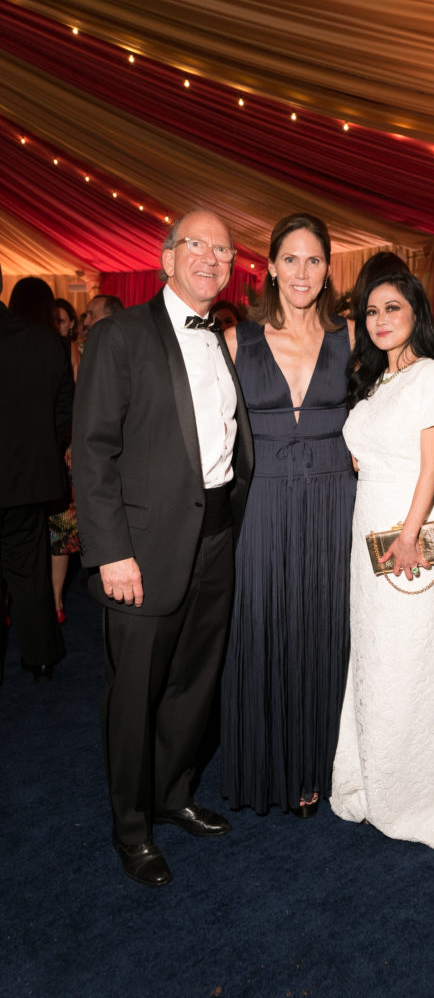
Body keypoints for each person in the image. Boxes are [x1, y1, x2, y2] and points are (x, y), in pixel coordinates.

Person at [72, 210, 253, 888]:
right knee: (135, 692)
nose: (210, 257)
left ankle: (172, 793)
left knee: (193, 681)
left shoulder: (223, 339)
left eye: (223, 249)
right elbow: (93, 453)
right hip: (141, 550)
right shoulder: (120, 336)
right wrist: (110, 550)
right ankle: (131, 826)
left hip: (215, 535)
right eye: (195, 244)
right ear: (166, 256)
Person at [330, 269, 434, 847]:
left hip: (408, 533)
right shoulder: (374, 381)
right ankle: (378, 776)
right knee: (376, 654)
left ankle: (426, 791)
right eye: (371, 312)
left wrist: (408, 533)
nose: (380, 320)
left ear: (415, 313)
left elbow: (431, 467)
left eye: (392, 308)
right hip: (367, 528)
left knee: (415, 657)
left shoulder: (433, 376)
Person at [220, 212, 356, 817]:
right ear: (270, 267)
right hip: (264, 506)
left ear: (328, 270)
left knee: (329, 626)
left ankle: (323, 765)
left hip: (336, 504)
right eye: (291, 259)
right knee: (265, 625)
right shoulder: (234, 341)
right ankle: (269, 764)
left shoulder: (352, 337)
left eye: (315, 260)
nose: (303, 272)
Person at [1, 273, 73, 681]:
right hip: (28, 480)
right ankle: (42, 657)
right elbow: (63, 411)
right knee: (30, 574)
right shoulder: (47, 342)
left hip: (24, 477)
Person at [51, 298, 81, 623]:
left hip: (69, 446)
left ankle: (56, 599)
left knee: (62, 527)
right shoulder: (41, 351)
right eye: (53, 320)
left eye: (62, 320)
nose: (58, 325)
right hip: (46, 447)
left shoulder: (76, 352)